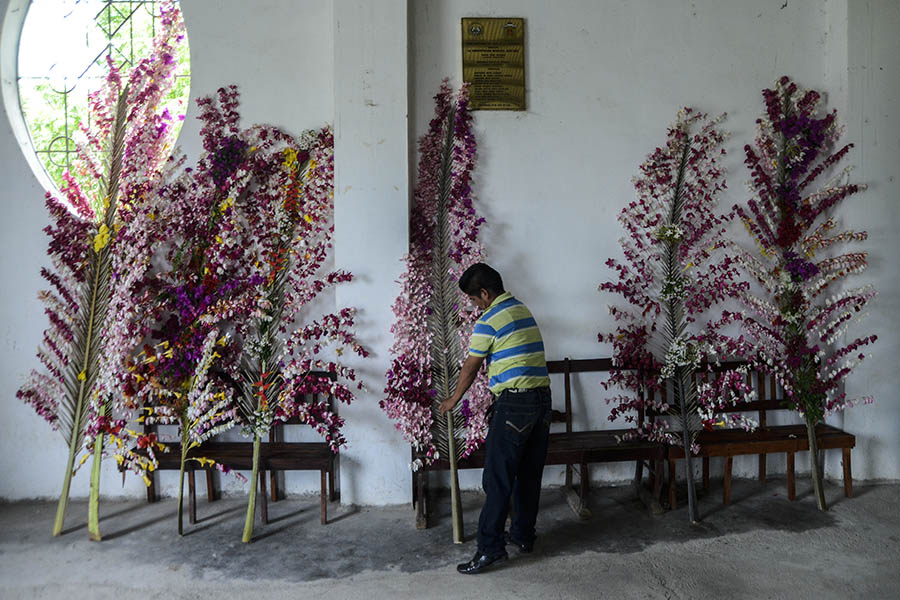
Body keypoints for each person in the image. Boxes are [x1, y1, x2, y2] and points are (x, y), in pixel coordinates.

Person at [440, 262, 552, 575]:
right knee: (529, 474)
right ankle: (523, 536)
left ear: (485, 294)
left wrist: (452, 400)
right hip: (542, 401)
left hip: (515, 403)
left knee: (497, 479)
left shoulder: (489, 320)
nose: (475, 305)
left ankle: (490, 549)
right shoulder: (521, 309)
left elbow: (471, 367)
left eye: (474, 299)